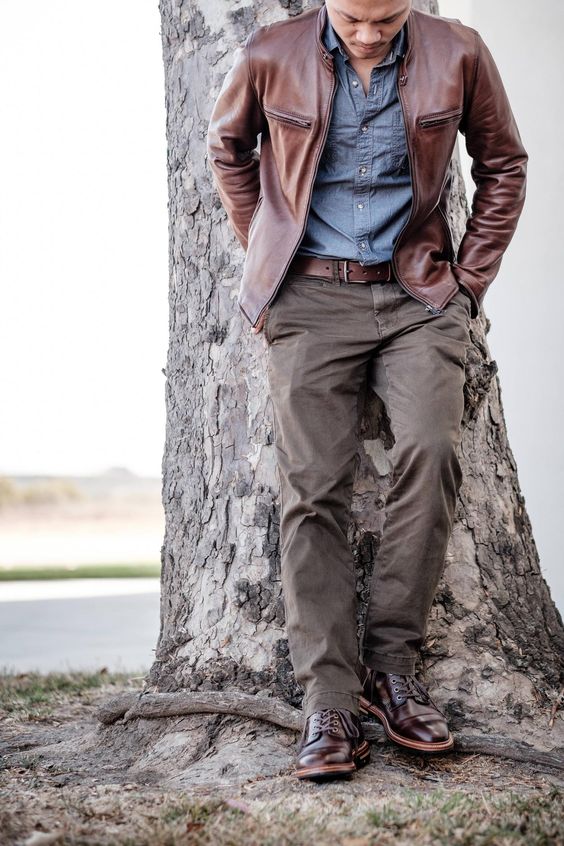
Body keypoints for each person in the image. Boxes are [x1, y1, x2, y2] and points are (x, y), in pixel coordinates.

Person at [206, 0, 527, 782]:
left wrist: (468, 284)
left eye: (385, 20)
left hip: (419, 295)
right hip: (309, 297)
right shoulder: (270, 52)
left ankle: (393, 672)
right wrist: (266, 250)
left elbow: (504, 165)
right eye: (353, 18)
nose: (369, 34)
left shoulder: (458, 51)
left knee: (431, 453)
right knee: (313, 489)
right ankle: (329, 701)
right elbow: (228, 148)